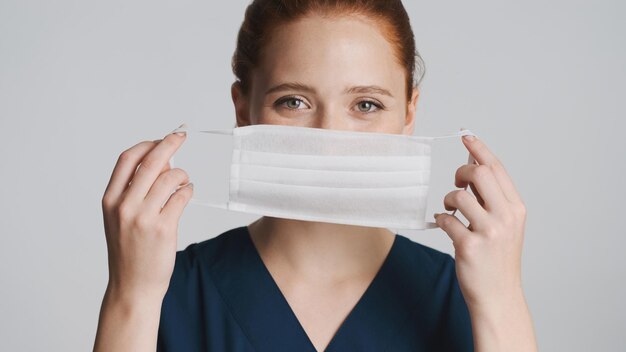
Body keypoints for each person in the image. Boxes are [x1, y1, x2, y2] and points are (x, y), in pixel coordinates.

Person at [93, 0, 538, 351]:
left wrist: (502, 303)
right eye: (294, 102)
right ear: (243, 110)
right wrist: (130, 297)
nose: (329, 138)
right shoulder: (168, 290)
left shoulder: (467, 295)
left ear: (409, 113)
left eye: (366, 105)